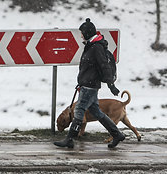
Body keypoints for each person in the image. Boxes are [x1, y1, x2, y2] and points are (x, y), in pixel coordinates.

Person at [54, 18, 125, 148]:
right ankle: (117, 134)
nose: (81, 35)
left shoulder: (96, 47)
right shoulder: (91, 46)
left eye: (82, 32)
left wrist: (111, 85)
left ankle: (70, 139)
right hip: (87, 84)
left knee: (79, 109)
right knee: (97, 112)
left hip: (90, 85)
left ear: (87, 33)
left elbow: (104, 66)